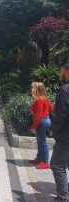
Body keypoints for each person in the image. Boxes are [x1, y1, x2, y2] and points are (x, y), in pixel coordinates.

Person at [50, 63, 69, 201]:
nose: (60, 74)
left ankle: (62, 198)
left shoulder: (65, 90)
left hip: (65, 136)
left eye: (61, 71)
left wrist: (55, 132)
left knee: (57, 165)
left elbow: (61, 115)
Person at [28, 82, 53, 169]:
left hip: (41, 121)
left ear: (36, 89)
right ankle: (39, 159)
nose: (31, 89)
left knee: (42, 142)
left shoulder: (39, 100)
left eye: (32, 88)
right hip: (46, 120)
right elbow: (51, 108)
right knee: (40, 141)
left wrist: (34, 127)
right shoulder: (45, 98)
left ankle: (45, 162)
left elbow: (38, 115)